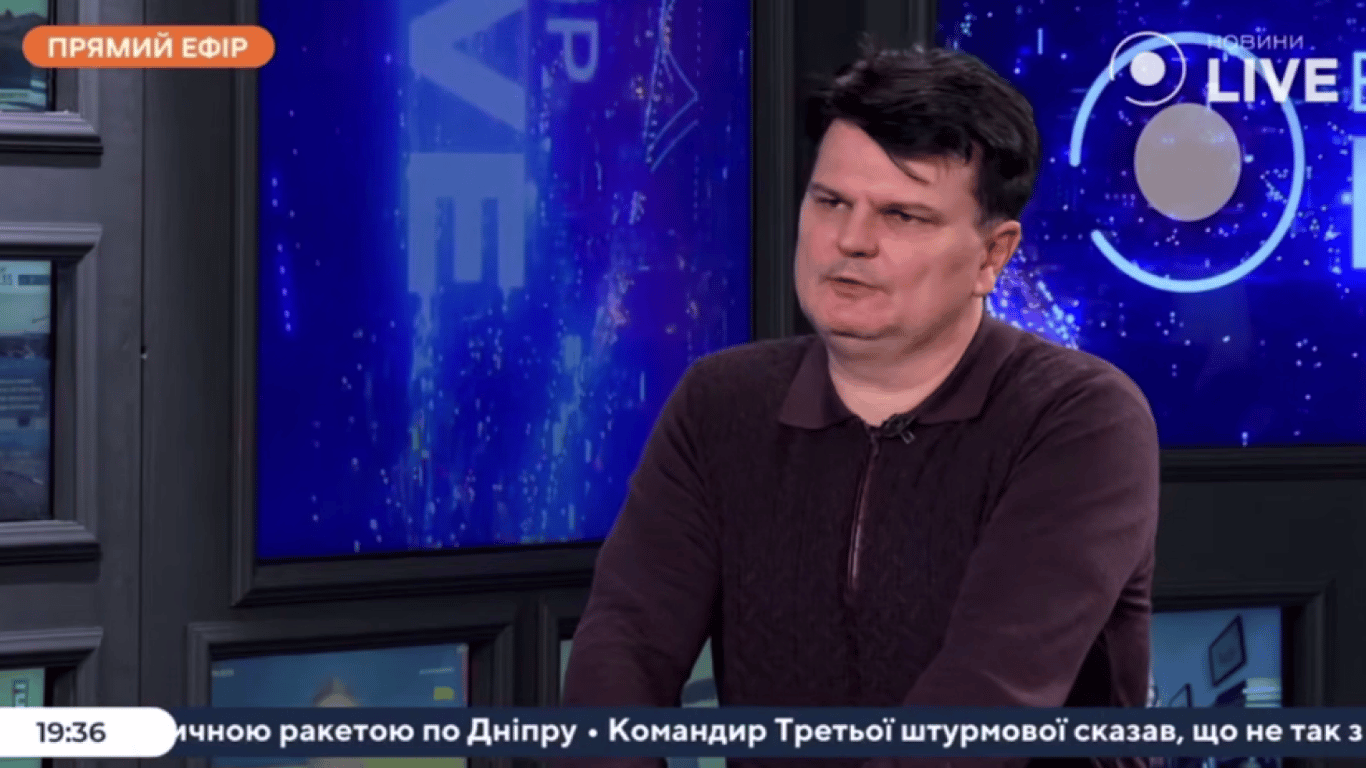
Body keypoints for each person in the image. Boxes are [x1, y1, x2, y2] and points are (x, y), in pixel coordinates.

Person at [560, 41, 1161, 768]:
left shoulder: (1079, 419)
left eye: (903, 216)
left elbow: (977, 712)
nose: (850, 241)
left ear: (992, 256)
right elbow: (623, 650)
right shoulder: (722, 404)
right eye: (831, 202)